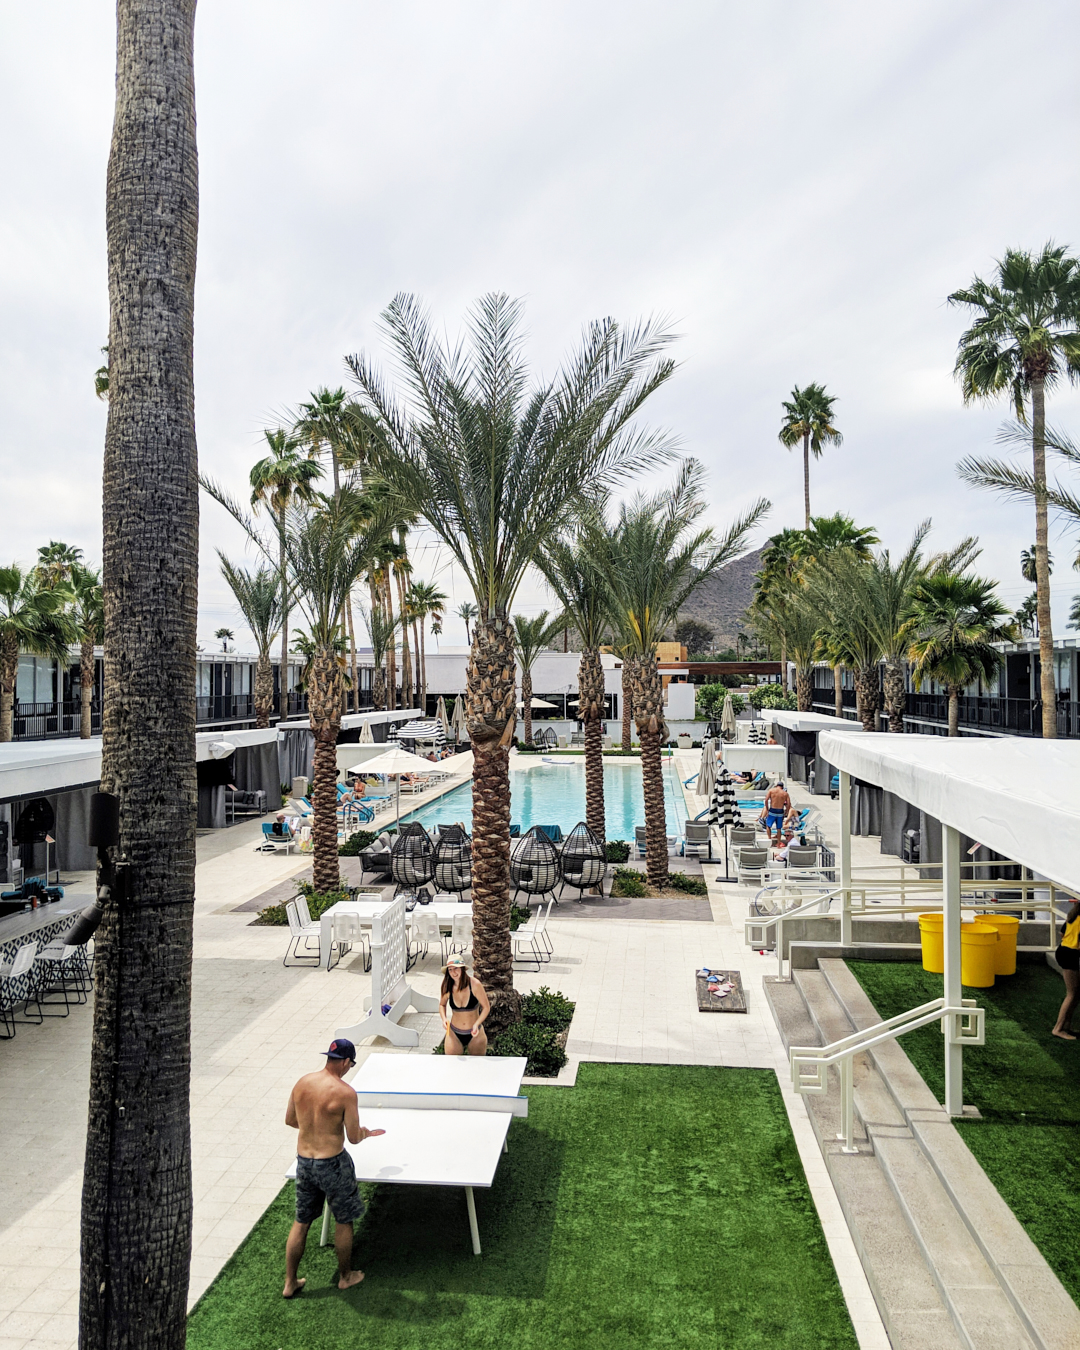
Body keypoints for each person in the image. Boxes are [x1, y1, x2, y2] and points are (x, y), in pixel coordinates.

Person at [283, 1039, 385, 1297]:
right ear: (345, 1062)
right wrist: (365, 1133)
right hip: (333, 1164)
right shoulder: (345, 1093)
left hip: (305, 1162)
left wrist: (313, 1129)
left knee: (301, 1221)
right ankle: (345, 1276)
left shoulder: (302, 1083)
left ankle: (290, 1282)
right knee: (343, 1220)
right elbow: (352, 1136)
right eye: (351, 1064)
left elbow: (290, 1120)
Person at [440, 954, 491, 1056]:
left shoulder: (475, 984)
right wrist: (444, 1019)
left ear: (462, 969)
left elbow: (486, 1007)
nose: (453, 973)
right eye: (450, 970)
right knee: (452, 1066)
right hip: (454, 1032)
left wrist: (477, 1024)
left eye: (456, 969)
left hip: (475, 1032)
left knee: (477, 1066)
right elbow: (442, 1004)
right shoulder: (447, 985)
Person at [1052, 899, 1080, 1040]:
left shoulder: (1073, 916)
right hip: (1070, 955)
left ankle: (1066, 1026)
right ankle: (1057, 1029)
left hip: (1064, 951)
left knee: (1076, 992)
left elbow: (1062, 933)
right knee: (1072, 993)